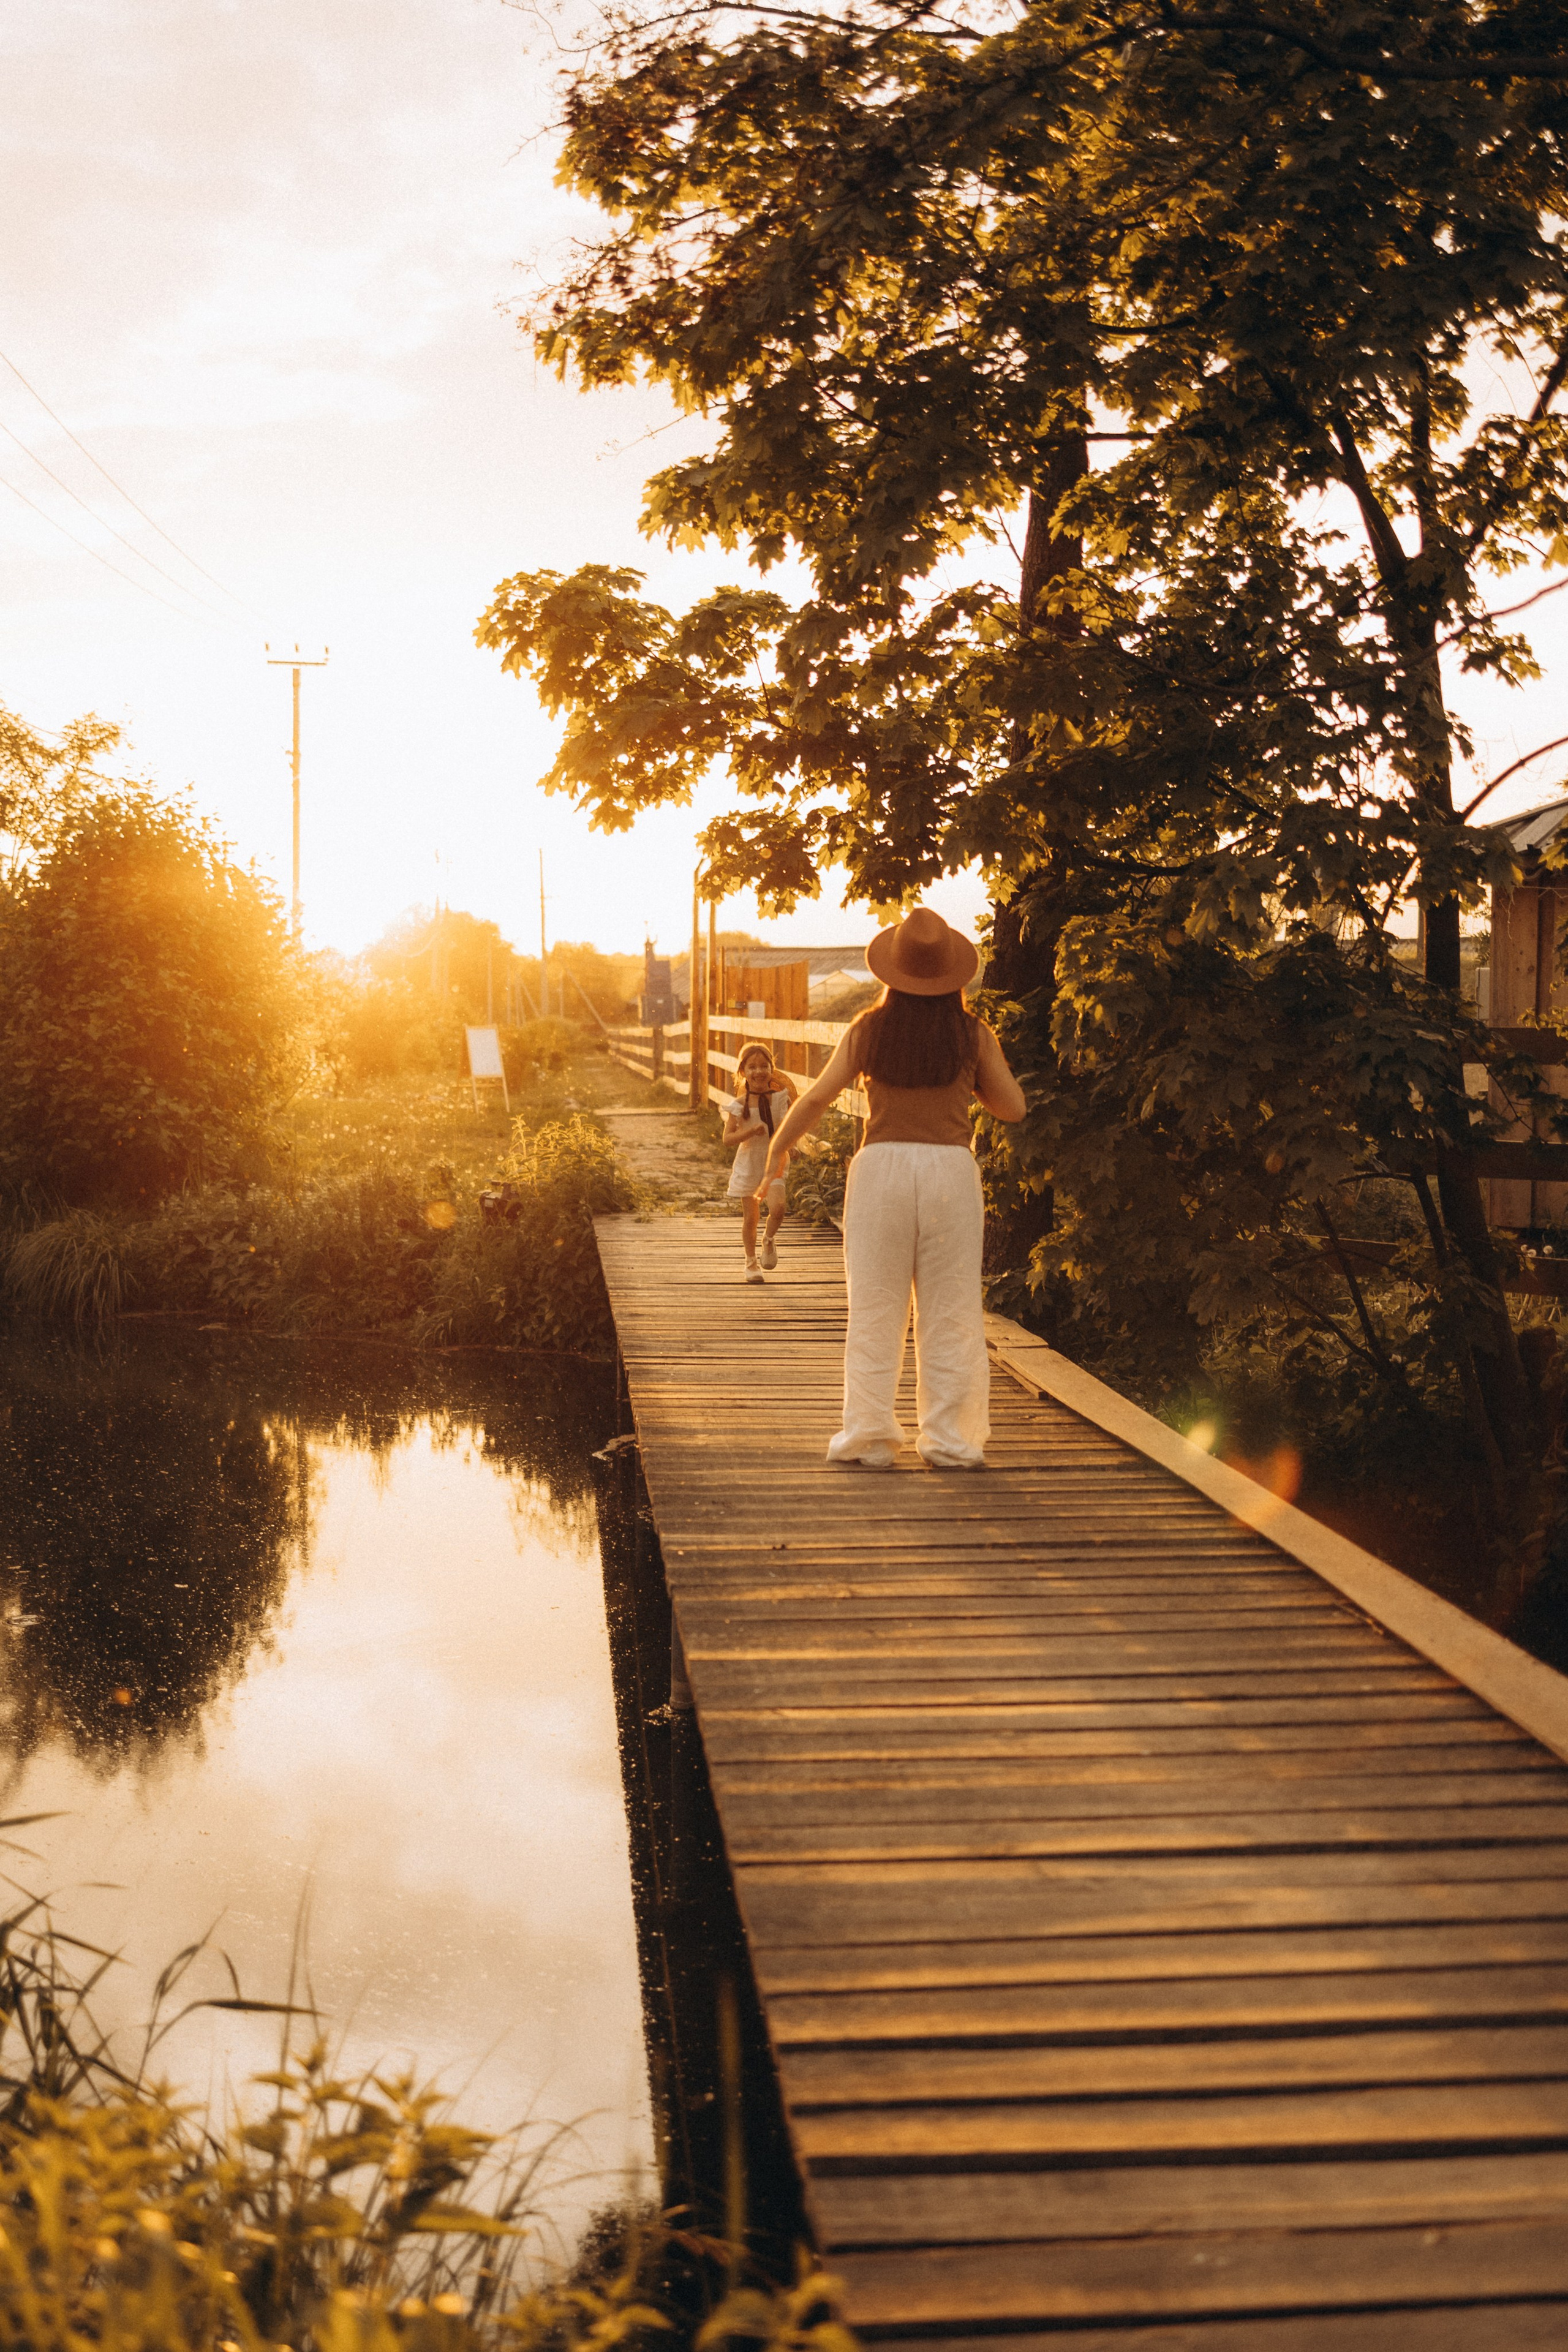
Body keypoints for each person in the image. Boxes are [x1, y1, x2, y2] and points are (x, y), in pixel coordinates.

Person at [756, 908, 1025, 1466]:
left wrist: (778, 1152)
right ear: (951, 976)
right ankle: (950, 1442)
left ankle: (871, 1437)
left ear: (892, 973)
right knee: (950, 1309)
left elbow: (814, 1099)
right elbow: (1014, 1108)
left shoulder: (869, 1030)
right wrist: (965, 1079)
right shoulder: (972, 1034)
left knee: (875, 1306)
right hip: (950, 1171)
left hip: (881, 1172)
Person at [723, 1042, 796, 1283]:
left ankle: (768, 1239)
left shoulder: (780, 1099)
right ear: (743, 1071)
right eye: (752, 1067)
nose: (758, 1072)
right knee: (751, 1218)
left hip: (774, 1161)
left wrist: (792, 1146)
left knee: (778, 1208)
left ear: (771, 1069)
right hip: (749, 1163)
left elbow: (788, 1128)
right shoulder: (738, 1106)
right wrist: (748, 1132)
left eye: (764, 1066)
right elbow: (727, 1139)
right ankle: (751, 1262)